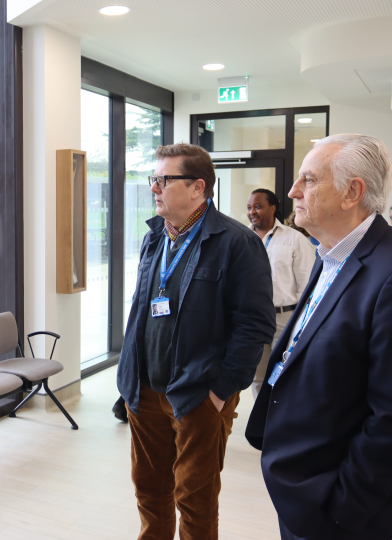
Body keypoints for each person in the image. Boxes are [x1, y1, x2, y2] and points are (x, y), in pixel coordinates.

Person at [246, 134, 392, 540]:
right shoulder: (331, 252)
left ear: (352, 192)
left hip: (338, 508)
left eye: (309, 179)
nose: (292, 191)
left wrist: (342, 509)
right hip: (302, 487)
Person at [117, 143, 275, 540]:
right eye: (153, 179)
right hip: (145, 392)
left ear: (197, 187)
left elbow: (255, 325)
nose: (154, 187)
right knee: (150, 492)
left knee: (195, 500)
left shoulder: (238, 243)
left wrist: (220, 392)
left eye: (163, 180)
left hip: (198, 396)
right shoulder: (155, 238)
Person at [246, 189, 315, 399]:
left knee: (284, 372)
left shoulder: (295, 239)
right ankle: (262, 424)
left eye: (258, 206)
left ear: (273, 208)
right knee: (257, 376)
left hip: (285, 318)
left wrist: (303, 321)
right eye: (249, 207)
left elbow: (307, 285)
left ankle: (282, 419)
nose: (252, 212)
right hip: (252, 318)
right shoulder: (241, 239)